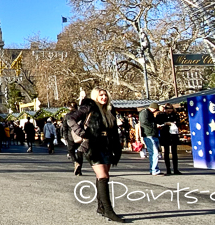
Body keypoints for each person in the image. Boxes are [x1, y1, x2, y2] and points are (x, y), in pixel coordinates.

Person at [71, 88, 127, 222]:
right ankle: (108, 210)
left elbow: (113, 129)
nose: (104, 97)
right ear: (95, 96)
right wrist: (81, 133)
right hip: (93, 145)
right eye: (101, 95)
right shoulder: (89, 107)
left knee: (103, 176)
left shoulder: (109, 109)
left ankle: (101, 207)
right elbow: (71, 118)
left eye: (106, 95)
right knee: (103, 176)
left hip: (107, 144)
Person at [157, 104, 182, 175]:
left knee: (174, 152)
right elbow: (158, 123)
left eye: (170, 111)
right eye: (168, 111)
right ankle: (168, 169)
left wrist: (174, 123)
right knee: (166, 152)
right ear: (165, 110)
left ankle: (176, 169)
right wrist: (165, 123)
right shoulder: (161, 115)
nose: (169, 112)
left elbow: (178, 123)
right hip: (165, 134)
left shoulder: (175, 115)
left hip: (173, 135)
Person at [138, 102, 162, 176]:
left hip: (152, 133)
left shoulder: (148, 113)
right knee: (154, 152)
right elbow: (144, 122)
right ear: (154, 108)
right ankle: (154, 170)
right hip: (148, 134)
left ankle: (153, 169)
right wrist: (154, 125)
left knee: (154, 153)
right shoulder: (144, 112)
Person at [63, 101, 82, 175]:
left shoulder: (67, 116)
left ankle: (75, 162)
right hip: (80, 135)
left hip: (70, 136)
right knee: (80, 152)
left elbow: (64, 127)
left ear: (69, 107)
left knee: (71, 151)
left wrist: (65, 137)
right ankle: (79, 170)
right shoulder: (81, 114)